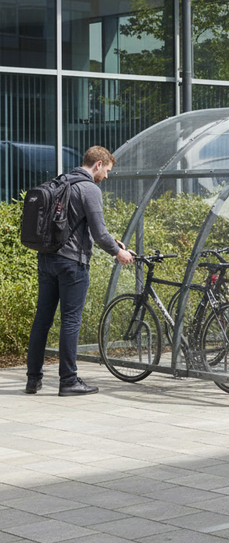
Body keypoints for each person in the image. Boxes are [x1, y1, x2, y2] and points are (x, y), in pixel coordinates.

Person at [26, 146, 135, 396]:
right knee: (70, 321)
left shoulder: (61, 181)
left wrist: (111, 241)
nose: (106, 176)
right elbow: (98, 232)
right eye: (106, 171)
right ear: (97, 164)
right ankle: (69, 380)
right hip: (72, 264)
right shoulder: (89, 189)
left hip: (47, 258)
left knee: (42, 319)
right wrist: (118, 252)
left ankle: (33, 380)